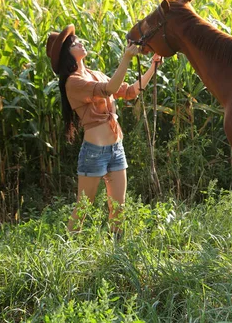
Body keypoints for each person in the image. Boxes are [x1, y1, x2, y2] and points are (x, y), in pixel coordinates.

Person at [46, 24, 162, 235]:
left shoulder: (95, 74)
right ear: (67, 54)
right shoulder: (73, 83)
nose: (80, 42)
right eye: (75, 43)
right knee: (83, 208)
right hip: (94, 153)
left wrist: (152, 68)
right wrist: (125, 58)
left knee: (118, 208)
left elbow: (128, 92)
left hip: (116, 149)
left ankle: (116, 256)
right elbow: (109, 89)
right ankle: (67, 252)